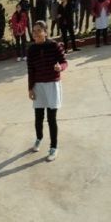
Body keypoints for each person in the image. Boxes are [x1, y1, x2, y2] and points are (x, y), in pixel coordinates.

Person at [27, 21, 68, 162]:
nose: (36, 33)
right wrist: (30, 88)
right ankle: (39, 138)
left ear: (45, 31)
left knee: (51, 118)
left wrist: (60, 67)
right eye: (34, 31)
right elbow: (30, 70)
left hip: (52, 85)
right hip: (38, 85)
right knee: (38, 117)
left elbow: (64, 62)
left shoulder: (54, 46)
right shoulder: (31, 50)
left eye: (39, 30)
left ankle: (53, 147)